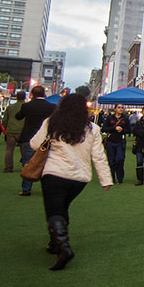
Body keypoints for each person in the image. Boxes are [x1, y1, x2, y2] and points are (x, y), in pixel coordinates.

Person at [29, 93, 112, 270]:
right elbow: (98, 156)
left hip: (54, 173)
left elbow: (35, 144)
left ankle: (63, 247)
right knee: (61, 208)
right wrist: (105, 179)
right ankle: (55, 244)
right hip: (79, 178)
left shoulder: (52, 123)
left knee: (54, 211)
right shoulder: (93, 129)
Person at [16, 85, 57, 196]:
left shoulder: (27, 106)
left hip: (29, 136)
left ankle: (26, 188)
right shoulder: (52, 107)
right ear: (44, 94)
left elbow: (18, 116)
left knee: (28, 163)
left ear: (32, 94)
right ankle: (47, 189)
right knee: (47, 164)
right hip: (46, 138)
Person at [101, 104, 130, 184]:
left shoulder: (125, 118)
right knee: (111, 161)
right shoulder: (110, 118)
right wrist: (114, 128)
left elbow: (129, 130)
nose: (121, 109)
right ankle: (111, 178)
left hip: (120, 141)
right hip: (110, 141)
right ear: (115, 109)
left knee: (120, 159)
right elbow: (104, 129)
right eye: (119, 107)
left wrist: (122, 130)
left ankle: (120, 178)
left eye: (122, 108)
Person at [2, 91, 27, 173]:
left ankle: (8, 167)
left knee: (9, 150)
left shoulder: (10, 107)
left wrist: (6, 128)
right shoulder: (27, 107)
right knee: (24, 150)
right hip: (23, 131)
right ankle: (25, 167)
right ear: (25, 97)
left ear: (16, 97)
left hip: (11, 130)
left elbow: (5, 119)